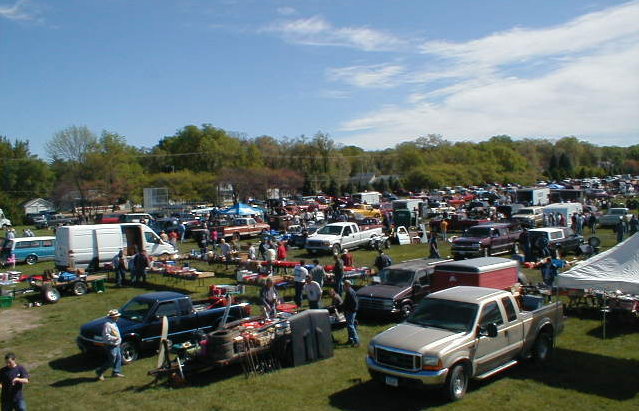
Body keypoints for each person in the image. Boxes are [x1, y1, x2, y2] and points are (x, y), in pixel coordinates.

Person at [95, 309, 125, 380]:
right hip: (110, 345)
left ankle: (116, 372)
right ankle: (100, 372)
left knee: (118, 358)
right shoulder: (108, 324)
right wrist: (114, 338)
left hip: (116, 344)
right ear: (113, 317)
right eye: (117, 316)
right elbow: (106, 336)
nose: (118, 317)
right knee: (111, 361)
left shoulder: (114, 323)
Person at [341, 280, 359, 347]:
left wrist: (349, 310)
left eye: (344, 286)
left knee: (350, 326)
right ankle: (350, 339)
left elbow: (354, 303)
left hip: (350, 312)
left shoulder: (350, 293)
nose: (343, 287)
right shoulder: (349, 292)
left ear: (347, 285)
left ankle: (356, 341)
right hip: (349, 311)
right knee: (351, 325)